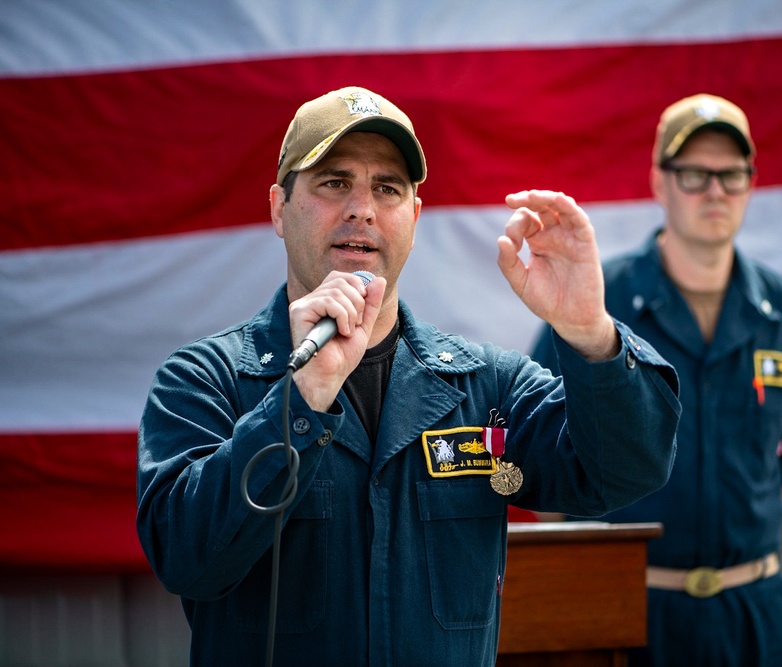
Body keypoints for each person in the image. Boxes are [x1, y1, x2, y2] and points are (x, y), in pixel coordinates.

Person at [135, 86, 681, 666]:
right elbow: (186, 557)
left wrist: (591, 332)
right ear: (278, 207)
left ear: (413, 218)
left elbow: (623, 474)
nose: (362, 209)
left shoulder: (487, 387)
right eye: (333, 182)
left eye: (387, 188)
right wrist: (299, 400)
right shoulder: (205, 380)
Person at [531, 93, 782, 666]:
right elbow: (543, 451)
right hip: (626, 616)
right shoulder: (596, 303)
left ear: (750, 184)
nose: (714, 191)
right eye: (693, 174)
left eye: (730, 174)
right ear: (659, 184)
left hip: (753, 618)